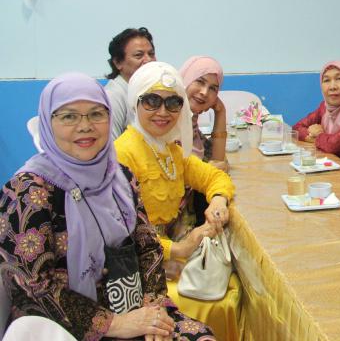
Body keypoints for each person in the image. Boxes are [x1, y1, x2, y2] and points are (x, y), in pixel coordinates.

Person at [0, 73, 214, 340]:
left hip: (135, 305)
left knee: (201, 336)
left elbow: (147, 247)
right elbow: (31, 285)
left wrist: (155, 309)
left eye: (96, 114)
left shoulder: (120, 176)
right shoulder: (28, 191)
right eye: (69, 116)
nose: (85, 126)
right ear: (48, 122)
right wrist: (114, 324)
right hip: (65, 325)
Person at [115, 61, 240, 341]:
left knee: (230, 284)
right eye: (152, 101)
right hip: (141, 268)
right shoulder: (123, 154)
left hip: (175, 254)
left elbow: (214, 176)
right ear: (135, 102)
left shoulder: (170, 150)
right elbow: (120, 236)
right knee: (219, 296)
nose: (163, 112)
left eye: (173, 103)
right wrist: (179, 248)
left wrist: (218, 201)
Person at [104, 27, 156, 139]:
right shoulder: (113, 96)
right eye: (139, 55)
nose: (148, 60)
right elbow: (111, 146)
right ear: (118, 63)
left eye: (151, 54)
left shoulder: (152, 92)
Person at [180, 56, 229, 171]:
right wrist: (207, 171)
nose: (205, 92)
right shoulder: (166, 124)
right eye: (200, 82)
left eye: (213, 89)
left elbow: (218, 161)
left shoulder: (193, 128)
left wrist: (221, 112)